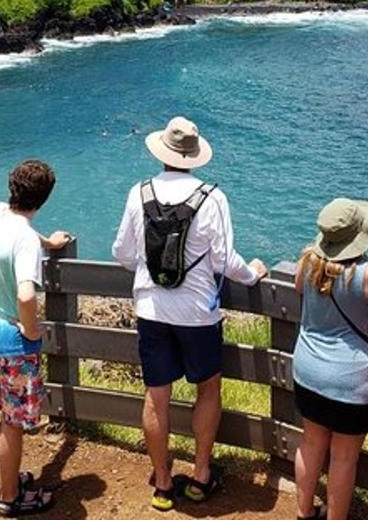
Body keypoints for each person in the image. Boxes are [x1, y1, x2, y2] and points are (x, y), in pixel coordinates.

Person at [112, 116, 268, 510]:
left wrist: (153, 272)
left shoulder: (139, 192)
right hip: (198, 312)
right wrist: (254, 274)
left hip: (150, 308)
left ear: (162, 151)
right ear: (195, 156)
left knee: (156, 397)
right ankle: (200, 475)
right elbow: (225, 260)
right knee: (207, 389)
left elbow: (123, 253)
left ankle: (163, 484)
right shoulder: (212, 197)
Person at [0, 160, 72, 517]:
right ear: (44, 198)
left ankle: (11, 477)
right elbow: (26, 295)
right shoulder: (25, 239)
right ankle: (10, 497)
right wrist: (32, 331)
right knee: (12, 426)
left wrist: (47, 241)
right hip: (12, 343)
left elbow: (20, 235)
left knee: (5, 418)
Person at [292, 198, 368, 520]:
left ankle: (303, 512)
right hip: (351, 381)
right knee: (343, 458)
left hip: (307, 369)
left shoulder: (307, 261)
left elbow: (299, 290)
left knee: (310, 445)